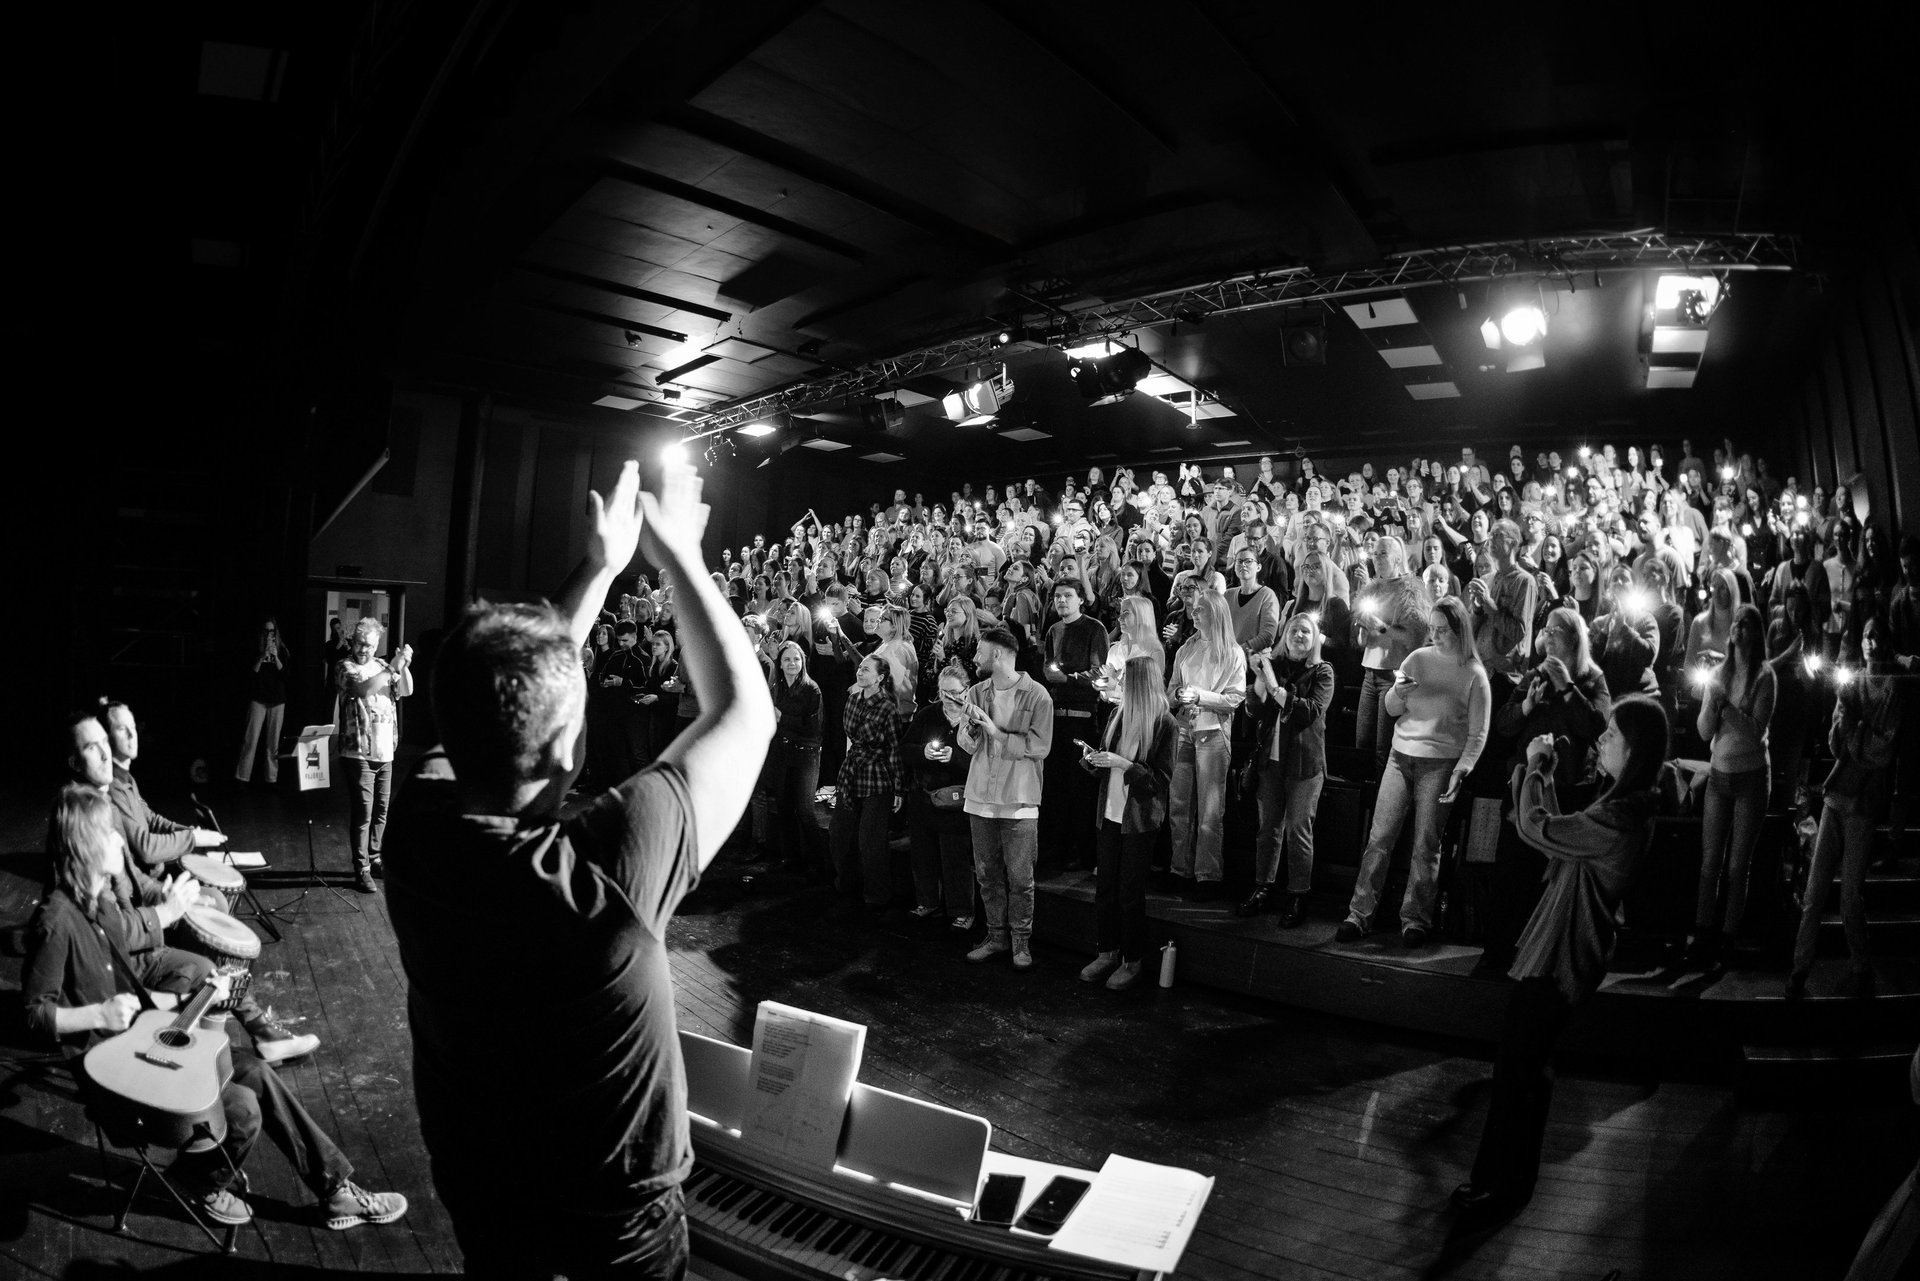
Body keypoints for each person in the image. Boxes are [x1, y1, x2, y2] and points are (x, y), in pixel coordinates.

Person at [385, 456, 774, 1279]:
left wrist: (597, 569)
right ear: (569, 748)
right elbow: (746, 712)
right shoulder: (609, 868)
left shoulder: (415, 833)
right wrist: (678, 555)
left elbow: (504, 684)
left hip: (483, 1191)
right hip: (615, 1221)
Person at [25, 782, 406, 1231]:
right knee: (242, 1108)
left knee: (257, 1072)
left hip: (140, 1045)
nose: (118, 841)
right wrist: (96, 1015)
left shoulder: (103, 908)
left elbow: (135, 1001)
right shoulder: (55, 919)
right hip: (113, 1079)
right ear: (86, 844)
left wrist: (197, 995)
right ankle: (199, 1180)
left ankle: (335, 1189)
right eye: (109, 833)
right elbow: (33, 1014)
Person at [1451, 696, 1671, 1224]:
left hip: (1563, 956)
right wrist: (1544, 776)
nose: (1602, 740)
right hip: (1565, 951)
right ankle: (1508, 1184)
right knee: (1528, 1069)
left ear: (1635, 751)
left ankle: (1498, 1188)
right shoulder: (1624, 809)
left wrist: (1532, 766)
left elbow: (1537, 829)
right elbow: (1559, 836)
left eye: (1612, 734)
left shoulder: (1618, 819)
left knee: (1518, 1073)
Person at [78, 707, 320, 1063]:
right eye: (99, 742)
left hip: (140, 911)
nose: (127, 738)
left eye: (130, 729)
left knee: (213, 910)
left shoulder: (117, 793)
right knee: (211, 955)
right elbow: (131, 874)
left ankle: (244, 1027)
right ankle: (234, 1034)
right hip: (128, 948)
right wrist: (166, 906)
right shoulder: (92, 815)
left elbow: (133, 867)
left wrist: (173, 874)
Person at [1339, 596, 1491, 947]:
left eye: (1443, 630)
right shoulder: (1418, 658)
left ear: (1460, 630)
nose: (1435, 635)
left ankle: (1415, 919)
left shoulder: (1474, 673)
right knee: (1379, 838)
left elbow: (1478, 733)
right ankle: (1359, 914)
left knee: (1426, 843)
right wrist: (1397, 691)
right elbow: (1391, 708)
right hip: (1400, 755)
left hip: (1440, 762)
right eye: (1432, 629)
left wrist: (1463, 768)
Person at [1476, 608, 1612, 974]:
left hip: (1568, 792)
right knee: (1510, 873)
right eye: (1546, 630)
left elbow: (1596, 725)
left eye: (1557, 631)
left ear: (1574, 638)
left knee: (1549, 878)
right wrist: (1525, 706)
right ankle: (1496, 953)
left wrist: (1567, 687)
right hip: (1525, 786)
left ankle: (1540, 958)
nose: (1548, 636)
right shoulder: (1534, 675)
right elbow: (1503, 725)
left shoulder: (1592, 679)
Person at [1788, 619, 1902, 1001]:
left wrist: (1856, 732)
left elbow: (1882, 751)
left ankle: (1861, 966)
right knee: (1814, 891)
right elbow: (1836, 742)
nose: (1870, 642)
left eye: (1876, 636)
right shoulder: (1851, 684)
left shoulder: (1891, 688)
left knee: (1850, 895)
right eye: (1866, 636)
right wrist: (1851, 725)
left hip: (1863, 802)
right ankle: (1799, 969)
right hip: (1837, 796)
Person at [956, 627, 1054, 970]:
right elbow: (966, 744)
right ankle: (996, 936)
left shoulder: (1037, 695)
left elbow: (1040, 747)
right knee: (987, 875)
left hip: (1019, 799)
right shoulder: (976, 691)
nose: (975, 658)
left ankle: (1020, 942)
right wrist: (971, 728)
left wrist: (995, 732)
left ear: (997, 654)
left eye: (980, 652)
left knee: (1021, 879)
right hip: (980, 795)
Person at [1077, 655, 1176, 991]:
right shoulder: (1117, 715)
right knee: (1105, 889)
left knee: (1129, 894)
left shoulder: (1164, 723)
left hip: (1138, 821)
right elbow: (1107, 766)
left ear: (1139, 684)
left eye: (1125, 680)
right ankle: (1107, 952)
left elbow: (1160, 781)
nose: (1119, 684)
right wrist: (1094, 760)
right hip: (1109, 814)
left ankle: (1132, 960)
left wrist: (1123, 764)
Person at [1689, 602, 1776, 969]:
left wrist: (1726, 709)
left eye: (1746, 623)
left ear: (1756, 633)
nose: (1738, 627)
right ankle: (1702, 936)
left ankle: (1728, 939)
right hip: (1719, 776)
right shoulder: (1718, 674)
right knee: (1710, 863)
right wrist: (1713, 708)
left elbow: (1756, 732)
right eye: (1735, 622)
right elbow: (1703, 731)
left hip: (1751, 779)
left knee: (1738, 866)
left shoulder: (1765, 677)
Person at [1239, 613, 1336, 927]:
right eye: (1294, 629)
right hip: (1271, 762)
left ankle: (1298, 895)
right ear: (1285, 635)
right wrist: (1259, 676)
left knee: (1297, 830)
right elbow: (1254, 710)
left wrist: (1274, 686)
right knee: (1267, 828)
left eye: (1306, 631)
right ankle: (1262, 888)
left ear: (1314, 638)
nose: (1299, 635)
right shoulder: (1274, 666)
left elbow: (1309, 712)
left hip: (1305, 765)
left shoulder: (1322, 672)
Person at [1164, 591, 1248, 899]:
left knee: (1210, 811)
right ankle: (1180, 869)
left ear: (1215, 613)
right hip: (1184, 729)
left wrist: (1201, 696)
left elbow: (1235, 698)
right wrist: (1179, 697)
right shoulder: (1186, 647)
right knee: (1179, 805)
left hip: (1212, 732)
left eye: (1201, 609)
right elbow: (1172, 689)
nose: (1194, 613)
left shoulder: (1232, 652)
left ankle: (1208, 875)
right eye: (1194, 609)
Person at [95, 702, 226, 868]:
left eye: (133, 726)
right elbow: (145, 848)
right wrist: (192, 838)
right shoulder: (112, 788)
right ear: (106, 738)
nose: (132, 734)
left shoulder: (127, 778)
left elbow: (151, 820)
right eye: (121, 729)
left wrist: (188, 832)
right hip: (145, 878)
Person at [337, 618, 413, 892]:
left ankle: (376, 857)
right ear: (352, 641)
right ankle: (362, 868)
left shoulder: (382, 665)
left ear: (377, 644)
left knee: (382, 812)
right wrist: (393, 666)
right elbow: (363, 689)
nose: (363, 649)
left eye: (369, 645)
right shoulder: (345, 666)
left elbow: (406, 690)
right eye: (359, 643)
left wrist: (403, 665)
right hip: (358, 752)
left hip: (384, 752)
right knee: (364, 814)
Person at [831, 653, 911, 910]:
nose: (860, 672)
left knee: (870, 841)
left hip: (876, 776)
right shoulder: (853, 700)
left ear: (880, 677)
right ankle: (846, 882)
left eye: (866, 669)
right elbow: (850, 738)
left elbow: (894, 749)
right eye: (860, 668)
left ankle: (877, 895)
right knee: (840, 833)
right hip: (852, 772)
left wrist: (899, 788)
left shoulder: (887, 708)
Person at [1040, 578, 1109, 871]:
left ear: (1081, 599)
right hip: (1056, 716)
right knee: (1057, 788)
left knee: (1081, 789)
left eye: (1067, 595)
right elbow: (1048, 665)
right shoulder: (1054, 630)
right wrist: (1052, 675)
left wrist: (1068, 679)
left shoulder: (1094, 628)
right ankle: (1059, 849)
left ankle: (1085, 853)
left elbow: (1100, 673)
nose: (1061, 600)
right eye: (1057, 596)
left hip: (1083, 718)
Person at [901, 664, 977, 928]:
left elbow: (984, 762)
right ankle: (928, 901)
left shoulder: (975, 719)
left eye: (955, 692)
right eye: (944, 692)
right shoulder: (927, 715)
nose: (949, 698)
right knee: (922, 854)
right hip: (924, 796)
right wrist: (923, 752)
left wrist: (954, 758)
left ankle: (962, 910)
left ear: (967, 690)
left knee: (955, 857)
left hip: (957, 801)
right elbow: (905, 749)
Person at [1353, 536, 1434, 771]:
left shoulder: (1410, 591)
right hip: (1369, 673)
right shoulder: (1371, 589)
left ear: (1397, 558)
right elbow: (1361, 642)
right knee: (1362, 742)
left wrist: (1382, 628)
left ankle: (1382, 792)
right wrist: (1363, 628)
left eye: (1383, 554)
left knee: (1383, 747)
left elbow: (1415, 637)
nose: (1377, 559)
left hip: (1392, 674)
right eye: (1375, 554)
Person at [763, 640, 826, 877]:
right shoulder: (776, 688)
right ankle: (791, 858)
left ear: (803, 662)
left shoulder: (812, 689)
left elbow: (814, 728)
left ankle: (819, 862)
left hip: (805, 753)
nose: (792, 663)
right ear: (780, 663)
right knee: (784, 807)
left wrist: (782, 718)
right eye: (787, 659)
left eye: (796, 659)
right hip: (781, 752)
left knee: (805, 810)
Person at [235, 617, 291, 785]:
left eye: (272, 631)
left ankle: (271, 779)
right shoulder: (255, 648)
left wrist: (276, 657)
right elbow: (249, 676)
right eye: (266, 631)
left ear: (276, 632)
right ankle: (242, 777)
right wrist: (261, 657)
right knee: (250, 739)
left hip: (277, 700)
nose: (269, 634)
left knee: (273, 743)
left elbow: (286, 677)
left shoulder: (282, 650)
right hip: (258, 698)